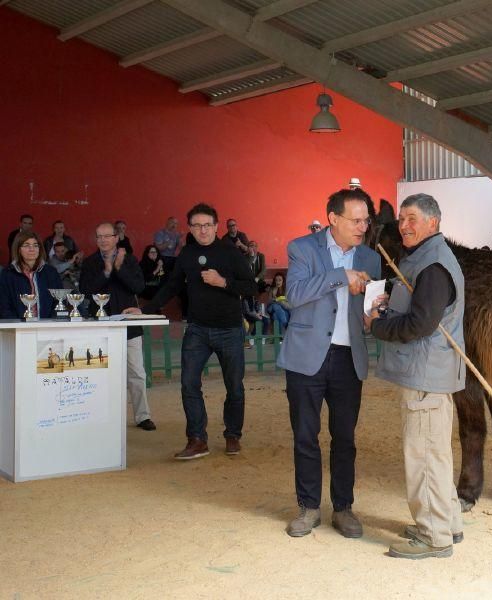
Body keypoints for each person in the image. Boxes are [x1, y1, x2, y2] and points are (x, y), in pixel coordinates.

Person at [277, 188, 380, 540]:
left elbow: (371, 306)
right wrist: (340, 276)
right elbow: (295, 295)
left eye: (366, 220)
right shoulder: (302, 248)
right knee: (306, 436)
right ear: (333, 219)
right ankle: (308, 507)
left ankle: (343, 507)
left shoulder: (369, 257)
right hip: (307, 358)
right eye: (356, 220)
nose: (363, 226)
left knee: (345, 438)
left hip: (349, 359)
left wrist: (375, 314)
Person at [366, 193, 465, 560]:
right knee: (436, 453)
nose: (403, 226)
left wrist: (378, 325)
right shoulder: (427, 259)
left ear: (433, 224)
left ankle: (433, 535)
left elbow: (420, 324)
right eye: (401, 219)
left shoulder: (434, 266)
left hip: (426, 376)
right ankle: (447, 522)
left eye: (412, 219)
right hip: (431, 374)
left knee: (424, 455)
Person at [126, 203, 256, 460]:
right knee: (188, 384)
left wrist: (223, 282)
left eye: (207, 225)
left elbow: (251, 286)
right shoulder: (187, 253)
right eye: (196, 225)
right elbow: (171, 285)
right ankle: (197, 439)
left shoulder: (230, 252)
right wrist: (147, 309)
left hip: (229, 329)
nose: (202, 230)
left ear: (216, 227)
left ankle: (232, 434)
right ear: (190, 228)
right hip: (197, 329)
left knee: (234, 387)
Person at [80, 222, 155, 431]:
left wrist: (119, 268)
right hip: (99, 326)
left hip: (129, 325)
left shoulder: (129, 260)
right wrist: (105, 272)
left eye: (107, 236)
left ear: (116, 238)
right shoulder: (90, 262)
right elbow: (85, 290)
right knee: (101, 373)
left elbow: (139, 287)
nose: (103, 240)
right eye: (99, 237)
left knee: (137, 373)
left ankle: (143, 416)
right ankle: (103, 417)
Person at [0, 231, 62, 319]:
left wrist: (49, 324)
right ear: (18, 249)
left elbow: (58, 302)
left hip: (47, 327)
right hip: (18, 327)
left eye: (35, 245)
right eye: (26, 245)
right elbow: (4, 305)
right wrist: (17, 325)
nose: (32, 249)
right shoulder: (8, 274)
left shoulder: (50, 272)